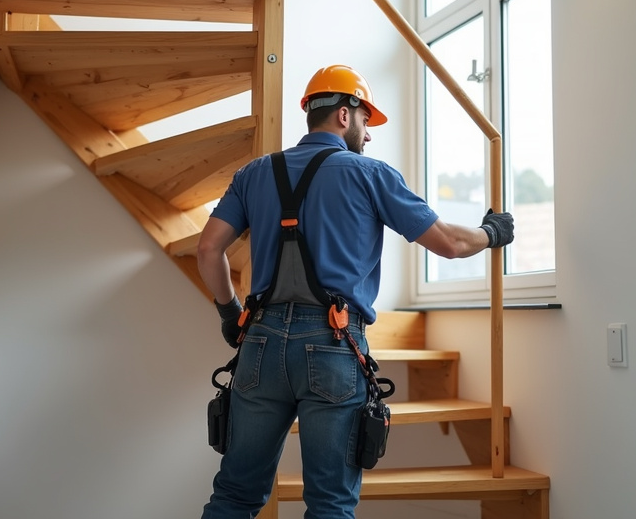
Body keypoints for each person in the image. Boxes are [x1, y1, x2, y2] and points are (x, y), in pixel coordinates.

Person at [197, 64, 514, 518]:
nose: (368, 135)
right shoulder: (371, 174)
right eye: (366, 120)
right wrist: (492, 231)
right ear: (344, 115)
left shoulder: (254, 173)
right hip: (334, 346)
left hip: (260, 347)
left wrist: (231, 315)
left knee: (235, 496)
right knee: (329, 505)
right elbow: (448, 242)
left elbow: (209, 250)